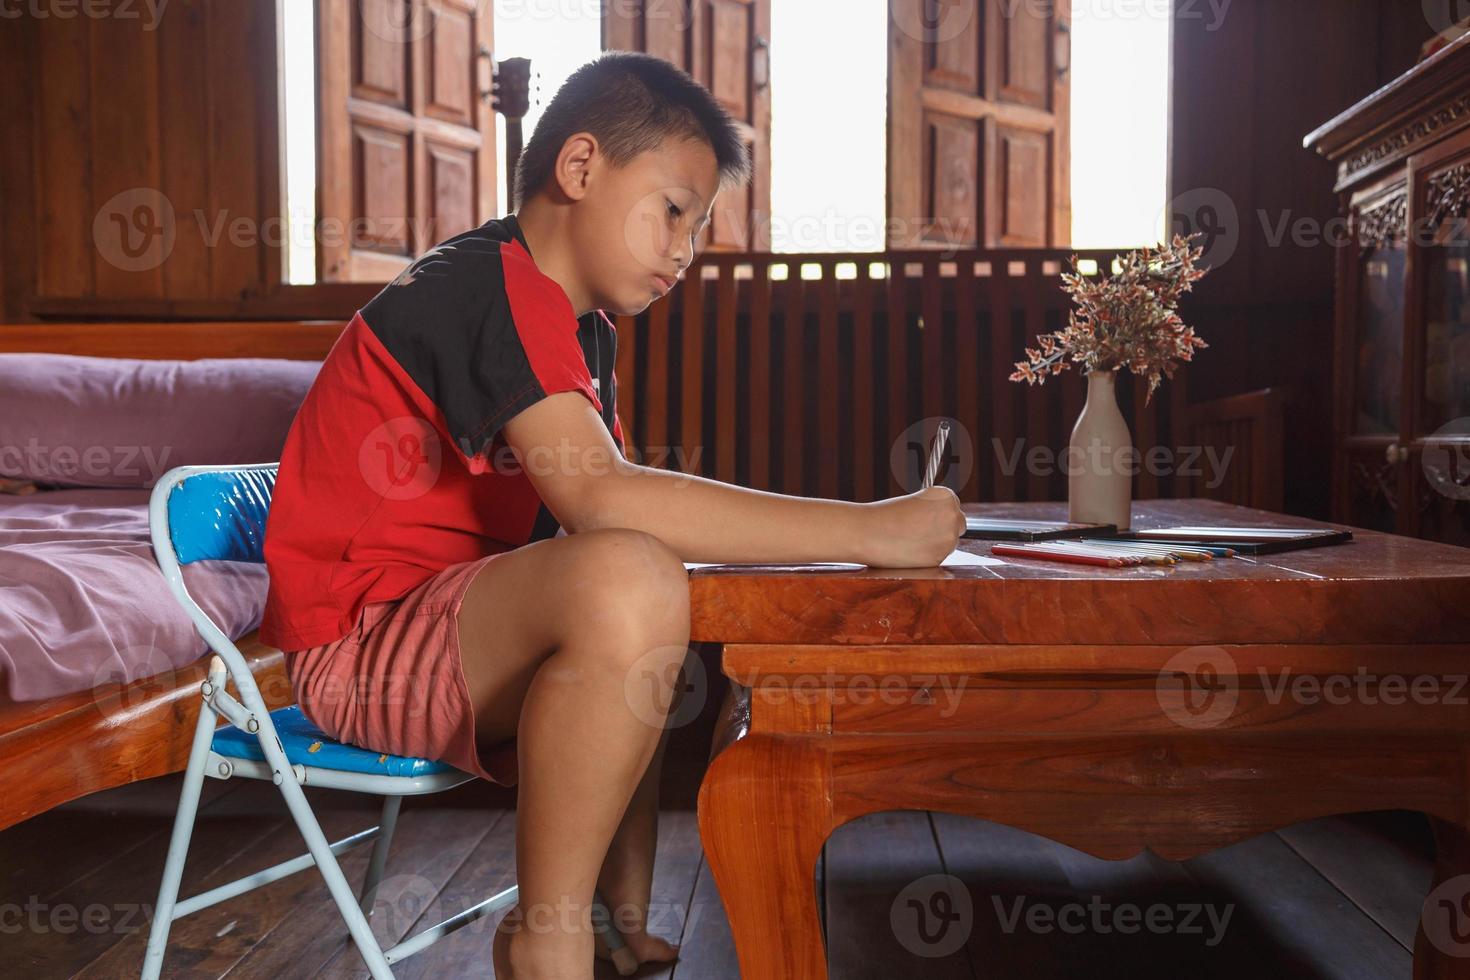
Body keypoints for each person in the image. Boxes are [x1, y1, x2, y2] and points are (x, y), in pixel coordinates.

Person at [260, 50, 964, 980]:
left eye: (702, 226)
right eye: (674, 210)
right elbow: (603, 496)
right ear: (581, 168)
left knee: (643, 593)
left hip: (444, 631)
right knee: (630, 576)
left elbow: (596, 516)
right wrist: (871, 531)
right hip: (360, 649)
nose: (687, 247)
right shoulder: (485, 284)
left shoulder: (578, 326)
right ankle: (545, 938)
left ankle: (615, 921)